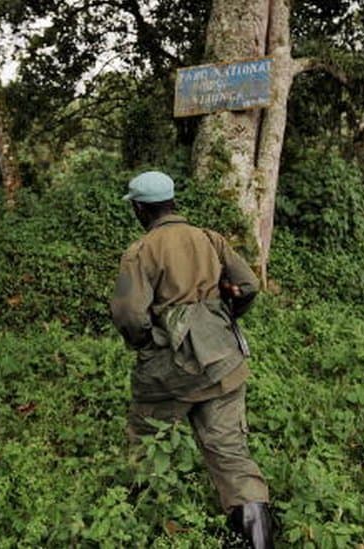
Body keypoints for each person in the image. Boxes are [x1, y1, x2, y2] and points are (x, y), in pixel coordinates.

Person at [110, 171, 273, 548]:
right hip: (223, 359)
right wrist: (224, 312)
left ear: (139, 208)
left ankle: (133, 524)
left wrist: (148, 342)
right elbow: (248, 285)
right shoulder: (210, 239)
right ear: (171, 202)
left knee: (146, 438)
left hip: (171, 367)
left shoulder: (139, 251)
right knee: (230, 449)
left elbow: (128, 314)